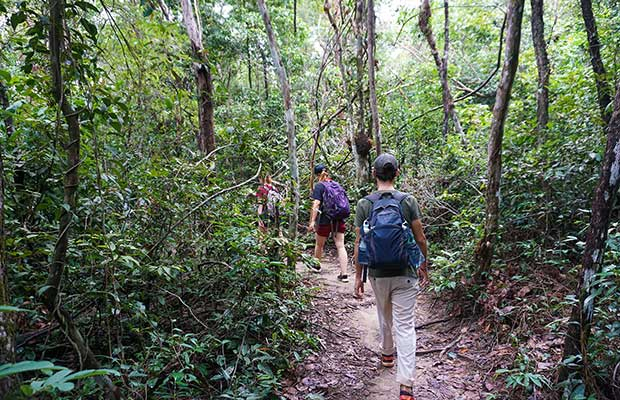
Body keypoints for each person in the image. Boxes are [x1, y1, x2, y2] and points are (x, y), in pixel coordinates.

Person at [353, 153, 429, 400]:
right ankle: (406, 385)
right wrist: (423, 263)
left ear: (373, 174)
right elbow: (420, 238)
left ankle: (387, 353)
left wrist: (358, 277)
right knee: (405, 326)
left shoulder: (365, 204)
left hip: (377, 272)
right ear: (397, 173)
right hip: (405, 272)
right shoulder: (408, 201)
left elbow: (359, 243)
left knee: (384, 314)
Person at [308, 164, 350, 282]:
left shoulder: (319, 186)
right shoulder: (336, 184)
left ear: (316, 175)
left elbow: (316, 204)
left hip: (325, 219)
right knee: (340, 245)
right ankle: (344, 274)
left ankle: (316, 265)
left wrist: (312, 221)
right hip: (338, 218)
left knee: (319, 244)